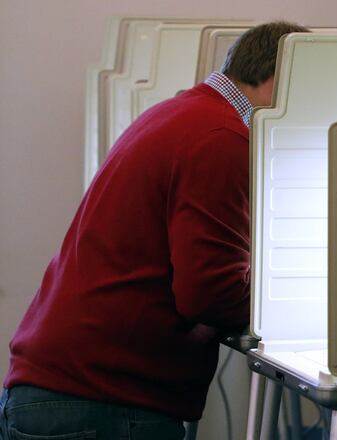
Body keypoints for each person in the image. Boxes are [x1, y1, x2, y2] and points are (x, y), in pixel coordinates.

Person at [0, 20, 308, 440]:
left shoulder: (182, 112)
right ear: (279, 78)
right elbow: (210, 292)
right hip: (99, 402)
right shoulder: (220, 137)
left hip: (68, 389)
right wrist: (306, 302)